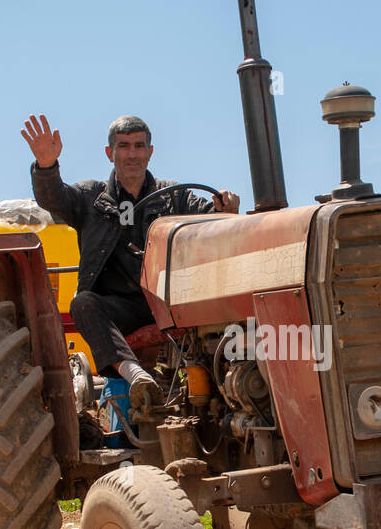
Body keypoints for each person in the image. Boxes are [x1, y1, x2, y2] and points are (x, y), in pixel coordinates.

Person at [22, 113, 239, 411]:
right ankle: (135, 375)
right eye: (124, 146)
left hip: (167, 302)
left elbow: (212, 218)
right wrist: (46, 166)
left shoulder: (175, 198)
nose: (132, 154)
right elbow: (54, 198)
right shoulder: (90, 198)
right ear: (110, 153)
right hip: (119, 308)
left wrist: (227, 208)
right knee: (83, 303)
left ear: (150, 152)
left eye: (139, 146)